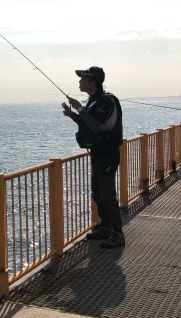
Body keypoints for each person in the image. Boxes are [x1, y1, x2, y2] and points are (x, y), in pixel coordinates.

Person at [61, 66, 125, 249]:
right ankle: (105, 227)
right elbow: (86, 122)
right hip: (97, 154)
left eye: (83, 79)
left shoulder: (107, 101)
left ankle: (117, 233)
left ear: (93, 82)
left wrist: (79, 108)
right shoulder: (93, 102)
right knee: (97, 193)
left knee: (107, 194)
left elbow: (97, 126)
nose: (79, 82)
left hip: (108, 154)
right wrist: (73, 114)